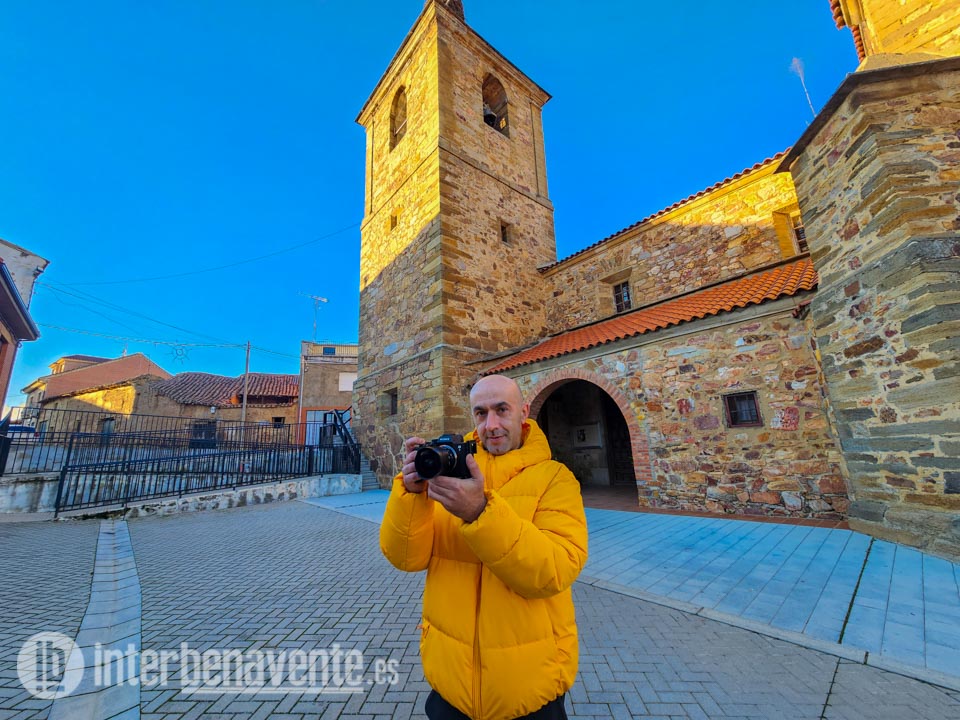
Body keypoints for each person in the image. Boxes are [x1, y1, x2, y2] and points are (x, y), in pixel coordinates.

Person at [379, 374, 588, 720]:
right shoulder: (450, 477)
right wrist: (411, 495)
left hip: (528, 690)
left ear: (523, 413)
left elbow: (554, 570)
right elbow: (405, 558)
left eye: (501, 410)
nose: (490, 425)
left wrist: (480, 513)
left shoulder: (555, 479)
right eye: (480, 413)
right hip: (450, 689)